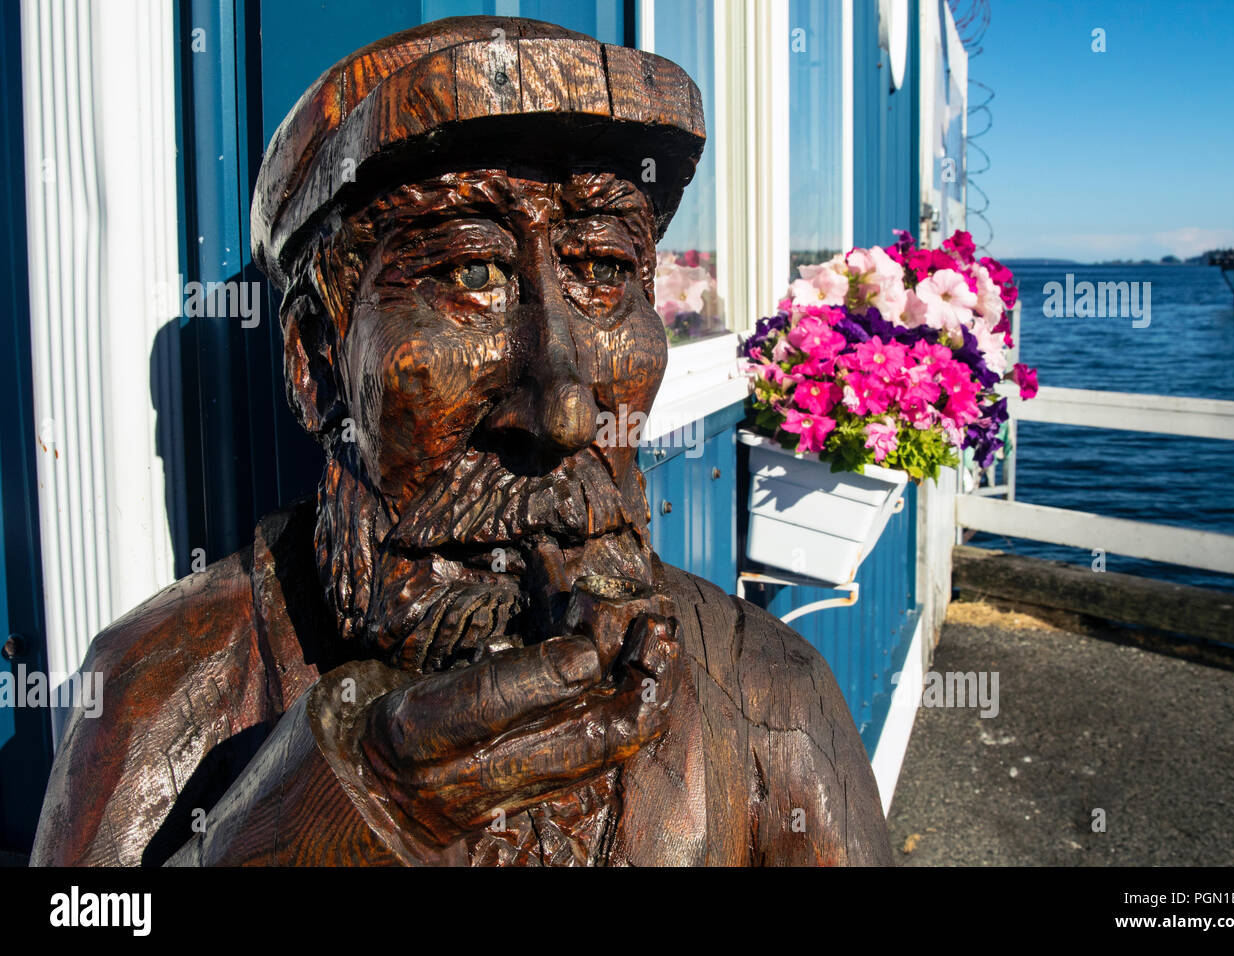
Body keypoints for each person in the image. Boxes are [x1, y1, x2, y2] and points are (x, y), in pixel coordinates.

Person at [31, 16, 891, 867]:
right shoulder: (161, 686)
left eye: (602, 272)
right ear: (316, 358)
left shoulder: (770, 690)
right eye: (468, 274)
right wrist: (319, 821)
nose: (563, 414)